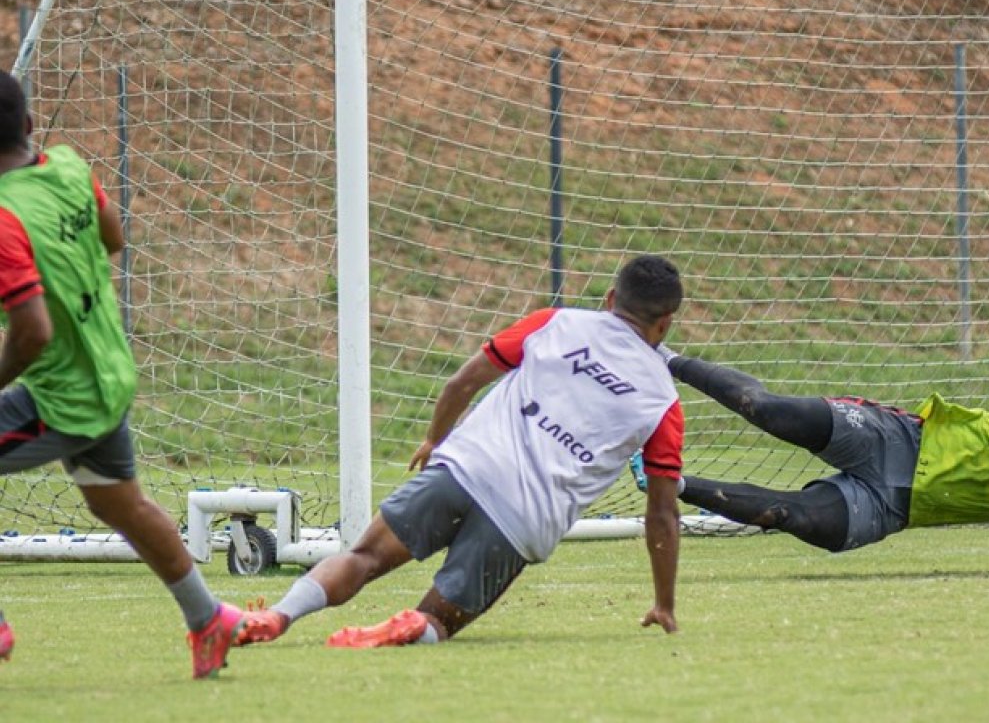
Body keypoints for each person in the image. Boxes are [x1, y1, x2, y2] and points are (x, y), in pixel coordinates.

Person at [234, 254, 686, 649]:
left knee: (362, 558)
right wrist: (663, 603)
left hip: (466, 467)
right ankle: (414, 626)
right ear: (664, 324)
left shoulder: (556, 322)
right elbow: (662, 513)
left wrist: (434, 440)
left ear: (610, 298)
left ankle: (279, 614)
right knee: (438, 620)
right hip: (523, 519)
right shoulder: (662, 399)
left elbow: (463, 383)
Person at [0, 70, 243, 676]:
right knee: (122, 506)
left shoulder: (4, 220)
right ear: (30, 127)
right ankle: (209, 618)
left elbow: (32, 333)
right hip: (109, 370)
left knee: (122, 504)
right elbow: (113, 237)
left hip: (64, 394)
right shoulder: (68, 166)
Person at [631, 346, 989, 574]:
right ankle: (666, 357)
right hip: (896, 440)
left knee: (789, 516)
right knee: (767, 409)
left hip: (893, 508)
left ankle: (671, 482)